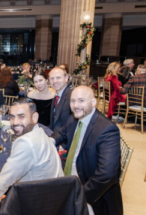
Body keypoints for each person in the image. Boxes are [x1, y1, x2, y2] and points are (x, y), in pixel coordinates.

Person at [0, 98, 64, 215]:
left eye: (21, 116)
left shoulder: (26, 143)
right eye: (12, 116)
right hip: (52, 199)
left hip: (35, 205)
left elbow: (2, 181)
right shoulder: (41, 133)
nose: (15, 122)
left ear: (35, 117)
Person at [51, 86, 123, 215]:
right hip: (71, 178)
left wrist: (80, 196)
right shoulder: (74, 119)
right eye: (72, 101)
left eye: (81, 101)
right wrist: (48, 142)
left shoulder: (107, 129)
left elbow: (106, 174)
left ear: (93, 102)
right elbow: (61, 133)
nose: (75, 105)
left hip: (92, 193)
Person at [48, 67, 73, 132]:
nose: (55, 81)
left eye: (58, 78)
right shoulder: (56, 96)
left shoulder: (72, 97)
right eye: (52, 78)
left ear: (66, 78)